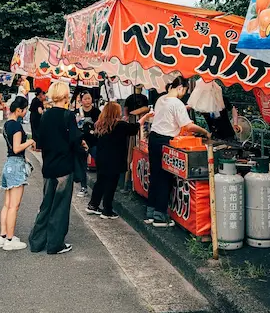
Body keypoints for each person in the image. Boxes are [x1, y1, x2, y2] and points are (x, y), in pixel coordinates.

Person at [140, 76, 211, 227]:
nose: (184, 94)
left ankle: (151, 212)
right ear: (180, 88)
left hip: (154, 138)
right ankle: (160, 216)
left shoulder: (161, 99)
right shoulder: (177, 103)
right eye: (184, 91)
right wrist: (205, 132)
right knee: (165, 177)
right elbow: (189, 126)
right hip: (166, 141)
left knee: (155, 175)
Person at [29, 82, 86, 255]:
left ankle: (37, 241)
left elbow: (40, 139)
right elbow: (74, 140)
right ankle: (55, 244)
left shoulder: (45, 115)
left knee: (46, 204)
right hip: (64, 166)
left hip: (48, 165)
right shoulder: (67, 116)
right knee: (60, 206)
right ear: (66, 95)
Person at [87, 102, 140, 219]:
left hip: (101, 158)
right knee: (111, 184)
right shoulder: (120, 125)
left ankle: (93, 205)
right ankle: (107, 210)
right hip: (114, 159)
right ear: (115, 112)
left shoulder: (100, 124)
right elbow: (134, 129)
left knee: (100, 182)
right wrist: (145, 117)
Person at [0, 96, 34, 251]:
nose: (25, 112)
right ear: (19, 110)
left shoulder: (7, 124)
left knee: (7, 205)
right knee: (14, 206)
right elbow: (17, 148)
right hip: (17, 165)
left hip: (8, 165)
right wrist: (31, 141)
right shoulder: (17, 126)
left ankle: (3, 236)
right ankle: (10, 239)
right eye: (25, 109)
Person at [76, 91, 100, 197]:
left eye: (89, 98)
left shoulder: (96, 112)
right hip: (81, 142)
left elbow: (100, 126)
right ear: (81, 101)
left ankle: (100, 186)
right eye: (85, 99)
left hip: (94, 141)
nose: (87, 101)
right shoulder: (77, 112)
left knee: (99, 162)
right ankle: (83, 187)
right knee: (82, 165)